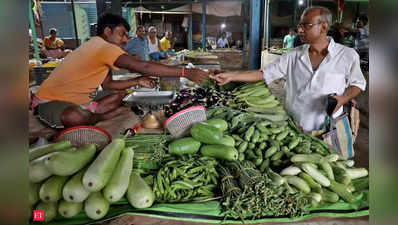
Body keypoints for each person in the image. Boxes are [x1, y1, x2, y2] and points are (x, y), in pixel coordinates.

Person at [33, 13, 209, 129]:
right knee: (74, 117)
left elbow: (108, 84)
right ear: (108, 31)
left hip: (82, 100)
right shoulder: (102, 47)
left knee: (120, 93)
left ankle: (93, 112)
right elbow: (145, 66)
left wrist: (138, 81)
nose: (126, 39)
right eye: (122, 34)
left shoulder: (98, 47)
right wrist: (185, 72)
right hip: (51, 101)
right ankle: (99, 116)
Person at [211, 6, 366, 132]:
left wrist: (344, 98)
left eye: (306, 25)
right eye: (300, 25)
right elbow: (263, 73)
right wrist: (232, 76)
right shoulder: (293, 56)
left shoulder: (347, 55)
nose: (300, 30)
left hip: (329, 128)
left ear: (324, 27)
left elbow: (357, 84)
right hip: (295, 126)